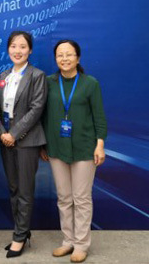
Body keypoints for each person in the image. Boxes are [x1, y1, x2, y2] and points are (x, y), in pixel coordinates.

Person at [41, 40, 107, 264]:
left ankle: (81, 244)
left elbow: (99, 117)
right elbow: (43, 116)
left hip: (84, 148)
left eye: (69, 54)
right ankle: (67, 241)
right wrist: (43, 145)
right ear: (55, 59)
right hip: (56, 147)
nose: (64, 58)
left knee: (81, 198)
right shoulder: (49, 82)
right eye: (60, 55)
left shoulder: (90, 83)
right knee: (64, 198)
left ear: (78, 58)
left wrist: (100, 144)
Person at [0, 30, 47, 258]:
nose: (18, 51)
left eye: (23, 46)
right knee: (14, 188)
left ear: (30, 50)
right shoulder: (3, 76)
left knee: (25, 190)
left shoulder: (37, 75)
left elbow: (36, 109)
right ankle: (22, 232)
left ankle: (19, 237)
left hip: (26, 140)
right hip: (6, 139)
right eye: (14, 46)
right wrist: (2, 133)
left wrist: (14, 134)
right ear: (8, 49)